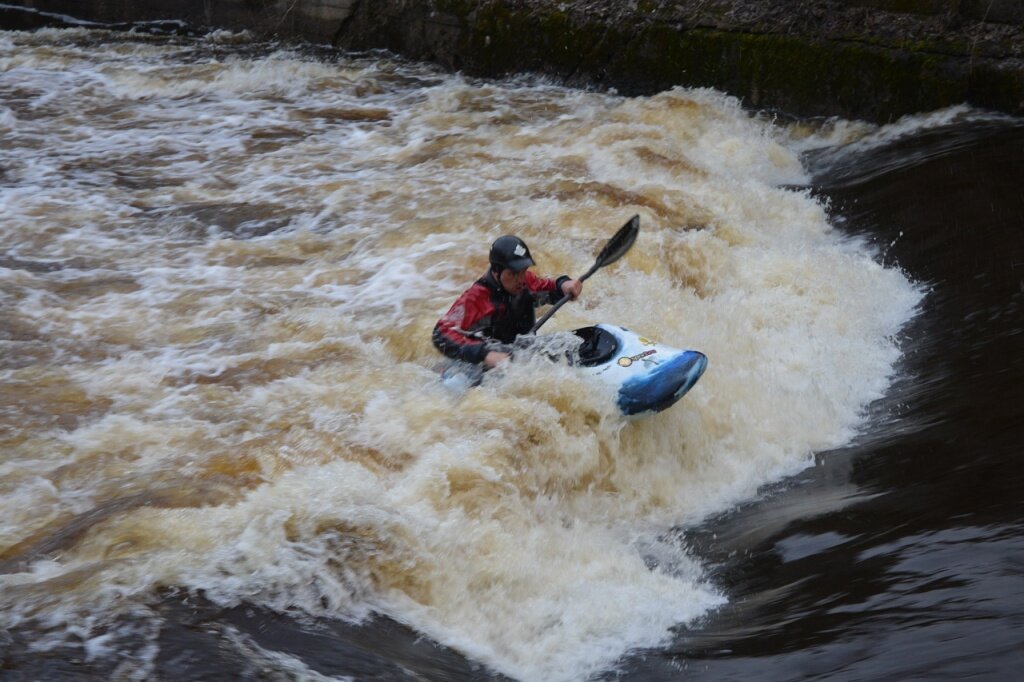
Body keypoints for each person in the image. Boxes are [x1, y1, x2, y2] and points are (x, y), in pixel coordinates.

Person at [433, 235, 583, 369]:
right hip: (482, 365)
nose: (520, 279)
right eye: (513, 273)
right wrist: (484, 354)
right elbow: (440, 334)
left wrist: (563, 284)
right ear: (496, 272)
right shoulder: (476, 298)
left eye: (523, 271)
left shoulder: (526, 282)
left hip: (521, 355)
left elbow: (550, 289)